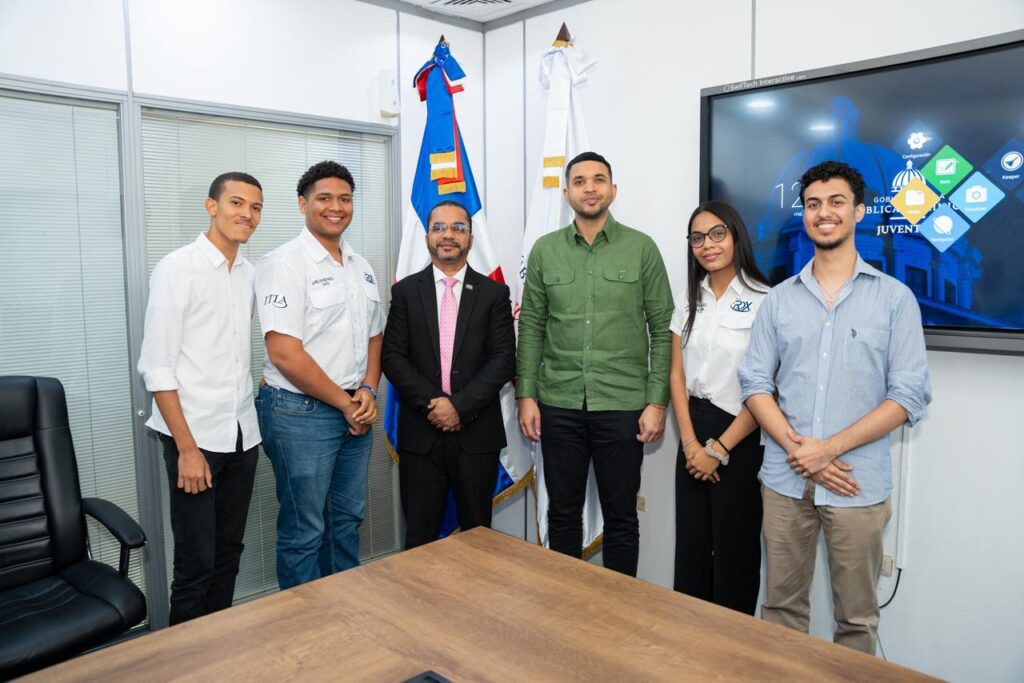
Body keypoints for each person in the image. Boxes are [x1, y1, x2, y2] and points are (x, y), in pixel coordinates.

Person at [739, 160, 931, 653]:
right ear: (804, 214)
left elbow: (908, 395)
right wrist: (801, 451)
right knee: (780, 611)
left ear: (859, 211)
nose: (824, 213)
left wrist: (827, 450)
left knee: (856, 621)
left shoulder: (895, 300)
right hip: (784, 481)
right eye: (813, 204)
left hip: (856, 484)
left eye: (836, 202)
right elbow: (754, 383)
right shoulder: (778, 301)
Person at [516, 151, 673, 576]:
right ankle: (565, 606)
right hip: (559, 403)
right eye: (580, 181)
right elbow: (531, 327)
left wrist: (656, 401)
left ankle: (619, 610)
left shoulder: (641, 248)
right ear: (566, 193)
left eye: (599, 180)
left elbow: (662, 329)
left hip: (623, 404)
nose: (590, 188)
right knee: (563, 514)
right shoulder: (545, 250)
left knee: (621, 516)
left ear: (613, 190)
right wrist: (526, 395)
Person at [137, 171, 264, 624]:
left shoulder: (250, 273)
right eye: (236, 203)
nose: (247, 214)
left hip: (242, 435)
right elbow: (157, 367)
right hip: (195, 440)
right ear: (212, 207)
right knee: (195, 565)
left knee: (229, 554)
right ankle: (185, 658)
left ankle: (218, 649)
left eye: (255, 207)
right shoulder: (177, 268)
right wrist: (187, 451)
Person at [255, 160, 383, 589]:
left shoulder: (360, 265)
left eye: (345, 198)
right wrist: (347, 404)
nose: (336, 207)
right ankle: (306, 622)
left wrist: (368, 389)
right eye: (324, 198)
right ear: (302, 204)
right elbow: (284, 353)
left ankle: (345, 614)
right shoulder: (284, 263)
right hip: (299, 413)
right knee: (304, 530)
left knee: (346, 521)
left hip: (354, 408)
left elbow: (375, 335)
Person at [381, 200, 516, 548]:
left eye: (458, 228)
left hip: (477, 434)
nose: (448, 235)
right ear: (427, 236)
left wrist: (458, 407)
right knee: (419, 538)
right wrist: (435, 404)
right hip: (420, 434)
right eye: (439, 227)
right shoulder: (405, 291)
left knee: (478, 538)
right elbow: (393, 358)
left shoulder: (494, 293)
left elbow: (503, 359)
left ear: (471, 238)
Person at [670, 200, 770, 615]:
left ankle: (732, 649)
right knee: (691, 548)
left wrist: (720, 450)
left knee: (735, 552)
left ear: (735, 236)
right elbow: (676, 374)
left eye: (717, 234)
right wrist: (691, 444)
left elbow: (768, 388)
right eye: (697, 238)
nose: (707, 245)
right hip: (691, 431)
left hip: (740, 434)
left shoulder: (766, 299)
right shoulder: (688, 297)